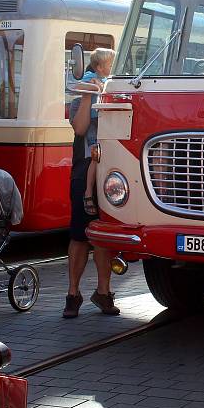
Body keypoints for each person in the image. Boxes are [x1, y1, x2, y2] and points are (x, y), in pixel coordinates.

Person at [63, 55, 120, 319]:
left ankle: (103, 291)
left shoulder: (114, 95)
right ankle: (73, 293)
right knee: (79, 234)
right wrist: (88, 95)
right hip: (85, 168)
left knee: (104, 234)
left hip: (111, 172)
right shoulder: (79, 99)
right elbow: (80, 128)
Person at [73, 48, 113, 215]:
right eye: (110, 65)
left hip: (103, 122)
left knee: (98, 157)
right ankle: (88, 192)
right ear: (99, 67)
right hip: (94, 124)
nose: (112, 68)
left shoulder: (108, 80)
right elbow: (79, 85)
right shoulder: (92, 77)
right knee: (95, 157)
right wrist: (93, 85)